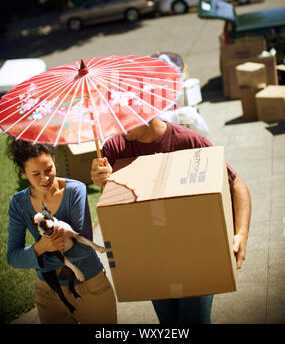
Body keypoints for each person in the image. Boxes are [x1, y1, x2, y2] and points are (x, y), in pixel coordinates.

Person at [90, 117, 251, 324]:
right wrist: (103, 181)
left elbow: (236, 184)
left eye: (123, 118)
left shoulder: (189, 142)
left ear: (144, 110)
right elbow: (112, 203)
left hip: (196, 255)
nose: (118, 125)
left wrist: (241, 235)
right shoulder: (113, 148)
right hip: (150, 255)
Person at [7, 138, 117, 324]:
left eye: (49, 169)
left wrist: (40, 258)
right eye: (36, 173)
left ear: (54, 160)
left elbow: (84, 249)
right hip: (48, 294)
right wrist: (40, 248)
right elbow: (13, 257)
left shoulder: (75, 190)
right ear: (23, 172)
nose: (45, 178)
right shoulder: (19, 204)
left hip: (90, 287)